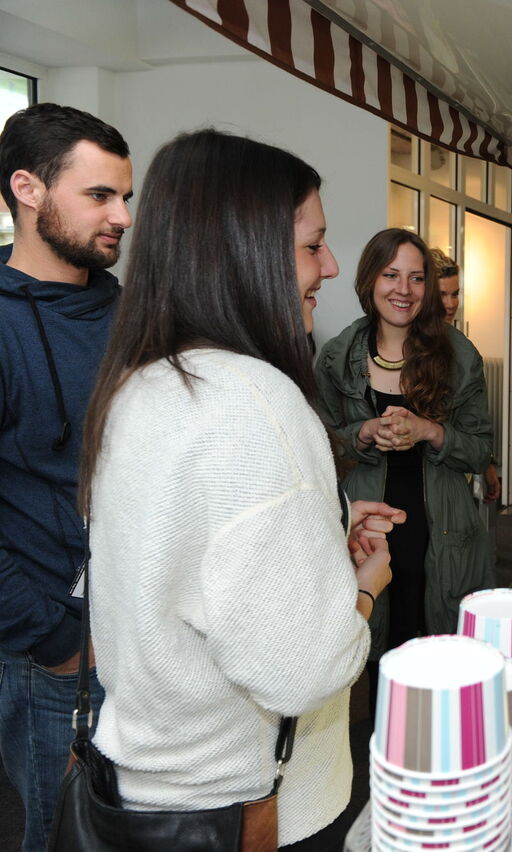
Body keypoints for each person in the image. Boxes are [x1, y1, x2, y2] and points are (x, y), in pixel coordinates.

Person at [79, 128, 398, 850]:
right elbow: (305, 668)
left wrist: (324, 530)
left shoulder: (142, 384)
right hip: (241, 806)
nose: (330, 265)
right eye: (312, 245)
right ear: (247, 254)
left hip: (144, 781)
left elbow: (196, 557)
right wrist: (365, 585)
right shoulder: (254, 401)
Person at [0, 103, 131, 852]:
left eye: (125, 198)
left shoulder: (127, 310)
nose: (121, 216)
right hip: (55, 659)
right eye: (99, 196)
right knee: (63, 837)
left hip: (141, 637)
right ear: (28, 188)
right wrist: (53, 640)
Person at [317, 229, 494, 670]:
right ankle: (385, 737)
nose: (403, 289)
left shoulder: (459, 356)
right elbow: (317, 449)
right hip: (368, 529)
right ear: (369, 281)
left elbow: (479, 450)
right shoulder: (337, 357)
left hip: (443, 530)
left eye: (417, 278)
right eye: (391, 274)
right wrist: (362, 432)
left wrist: (431, 431)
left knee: (441, 652)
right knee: (377, 651)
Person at [431, 246, 500, 502]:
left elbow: (472, 420)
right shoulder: (399, 344)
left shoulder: (462, 351)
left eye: (455, 294)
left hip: (455, 472)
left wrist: (486, 465)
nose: (450, 304)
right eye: (441, 295)